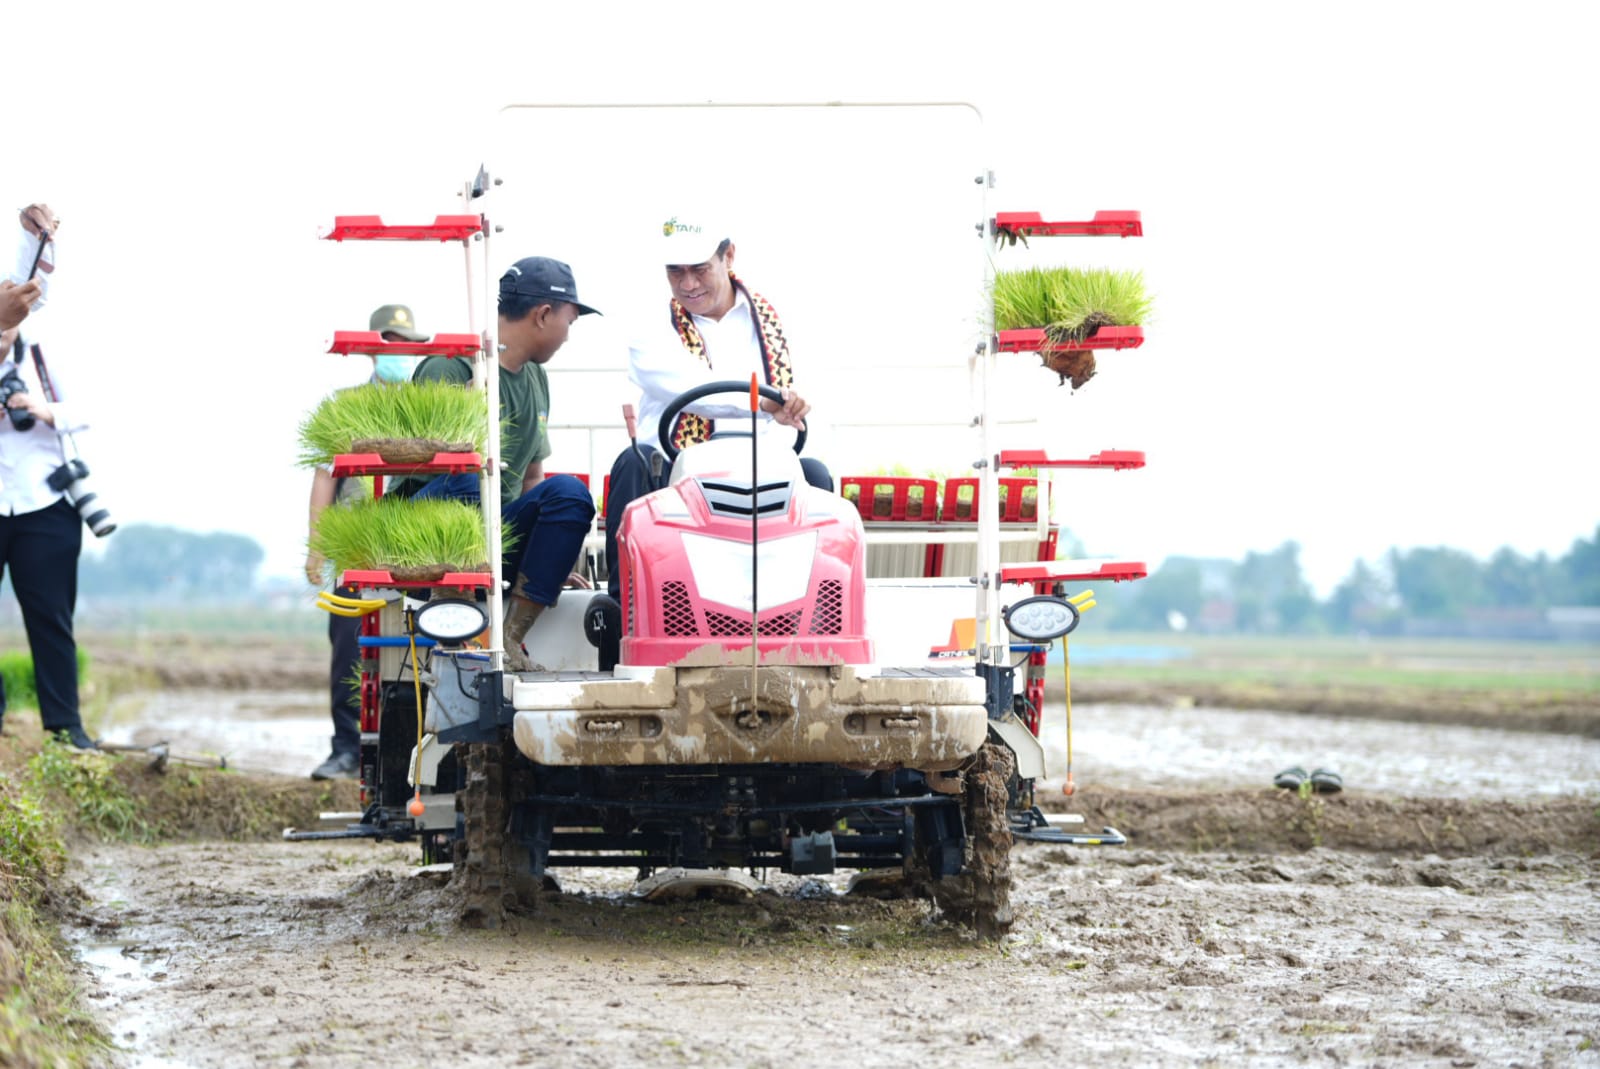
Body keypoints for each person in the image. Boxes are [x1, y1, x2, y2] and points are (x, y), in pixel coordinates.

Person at [603, 211, 831, 603]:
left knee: (817, 476)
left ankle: (810, 613)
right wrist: (768, 403)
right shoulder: (650, 325)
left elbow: (803, 390)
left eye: (700, 269)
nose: (688, 284)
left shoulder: (782, 319)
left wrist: (793, 400)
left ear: (729, 256)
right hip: (675, 470)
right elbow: (694, 390)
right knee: (632, 464)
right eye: (675, 271)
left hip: (766, 467)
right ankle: (626, 608)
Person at [390, 257, 599, 672]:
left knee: (571, 495)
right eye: (569, 322)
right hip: (430, 529)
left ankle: (511, 639)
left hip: (492, 531)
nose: (568, 337)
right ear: (543, 315)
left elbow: (533, 480)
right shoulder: (452, 365)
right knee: (469, 476)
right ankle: (463, 626)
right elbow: (419, 463)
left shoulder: (536, 379)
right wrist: (465, 420)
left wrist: (548, 561)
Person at [302, 304, 427, 781]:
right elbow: (323, 481)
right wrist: (318, 547)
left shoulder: (429, 401)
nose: (398, 350)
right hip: (354, 551)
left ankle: (406, 757)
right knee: (349, 651)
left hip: (414, 553)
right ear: (372, 345)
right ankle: (346, 749)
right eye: (389, 340)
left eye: (407, 342)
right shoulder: (343, 405)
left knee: (415, 654)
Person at [0, 202, 96, 750]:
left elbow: (88, 405)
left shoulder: (41, 353)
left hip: (43, 502)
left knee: (51, 619)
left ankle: (65, 727)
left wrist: (40, 409)